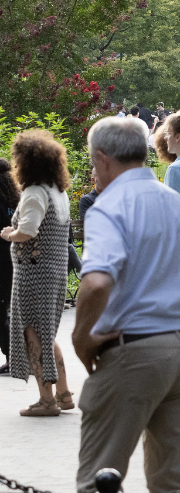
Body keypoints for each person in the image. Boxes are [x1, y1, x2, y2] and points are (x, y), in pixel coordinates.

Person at [73, 116, 180, 493]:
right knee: (170, 481)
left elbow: (96, 282)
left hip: (133, 352)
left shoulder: (109, 207)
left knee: (98, 478)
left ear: (102, 158)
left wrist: (81, 338)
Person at [3, 130, 73, 417]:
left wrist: (10, 234)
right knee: (47, 333)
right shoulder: (58, 192)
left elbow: (28, 230)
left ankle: (46, 400)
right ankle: (64, 394)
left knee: (32, 334)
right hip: (54, 271)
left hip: (33, 274)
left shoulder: (34, 193)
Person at [0, 160, 17, 375]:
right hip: (15, 258)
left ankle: (10, 355)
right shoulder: (16, 197)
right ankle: (15, 356)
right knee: (11, 307)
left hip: (1, 259)